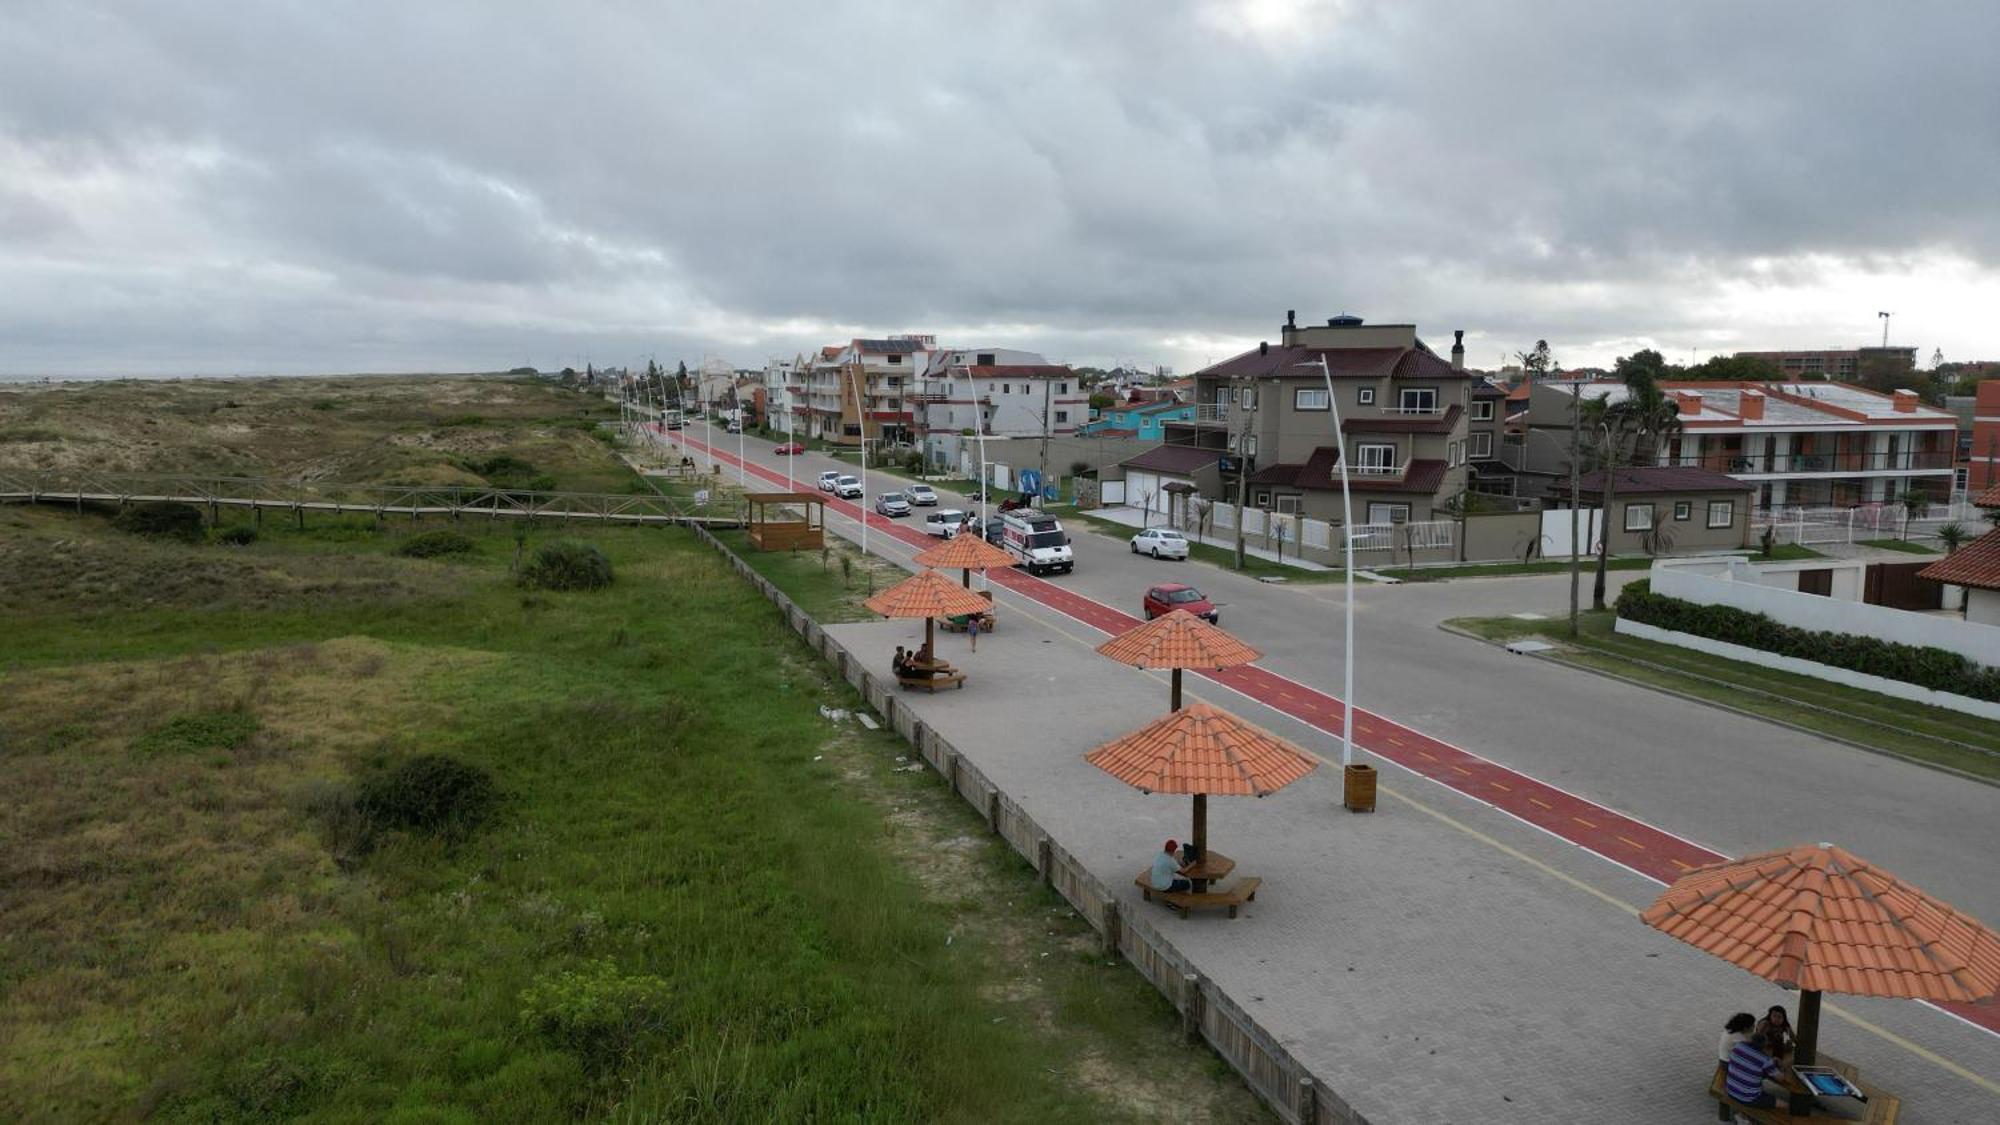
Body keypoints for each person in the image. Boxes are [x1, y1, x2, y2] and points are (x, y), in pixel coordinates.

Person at [1723, 1030, 1788, 1117]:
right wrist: (1782, 1067)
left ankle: (1743, 1115)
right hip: (1749, 1098)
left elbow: (1749, 1063)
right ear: (1764, 1045)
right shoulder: (1765, 1060)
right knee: (1785, 1105)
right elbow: (1781, 1078)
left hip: (1730, 1089)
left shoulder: (1738, 1046)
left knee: (1756, 1079)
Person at [1716, 1013, 1757, 1121]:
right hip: (1729, 1064)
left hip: (1723, 1060)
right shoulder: (1739, 1039)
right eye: (1752, 1025)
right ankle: (1742, 1115)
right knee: (1750, 1080)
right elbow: (1750, 1053)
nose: (1754, 1027)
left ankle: (1741, 1113)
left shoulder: (1729, 1031)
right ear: (1745, 1027)